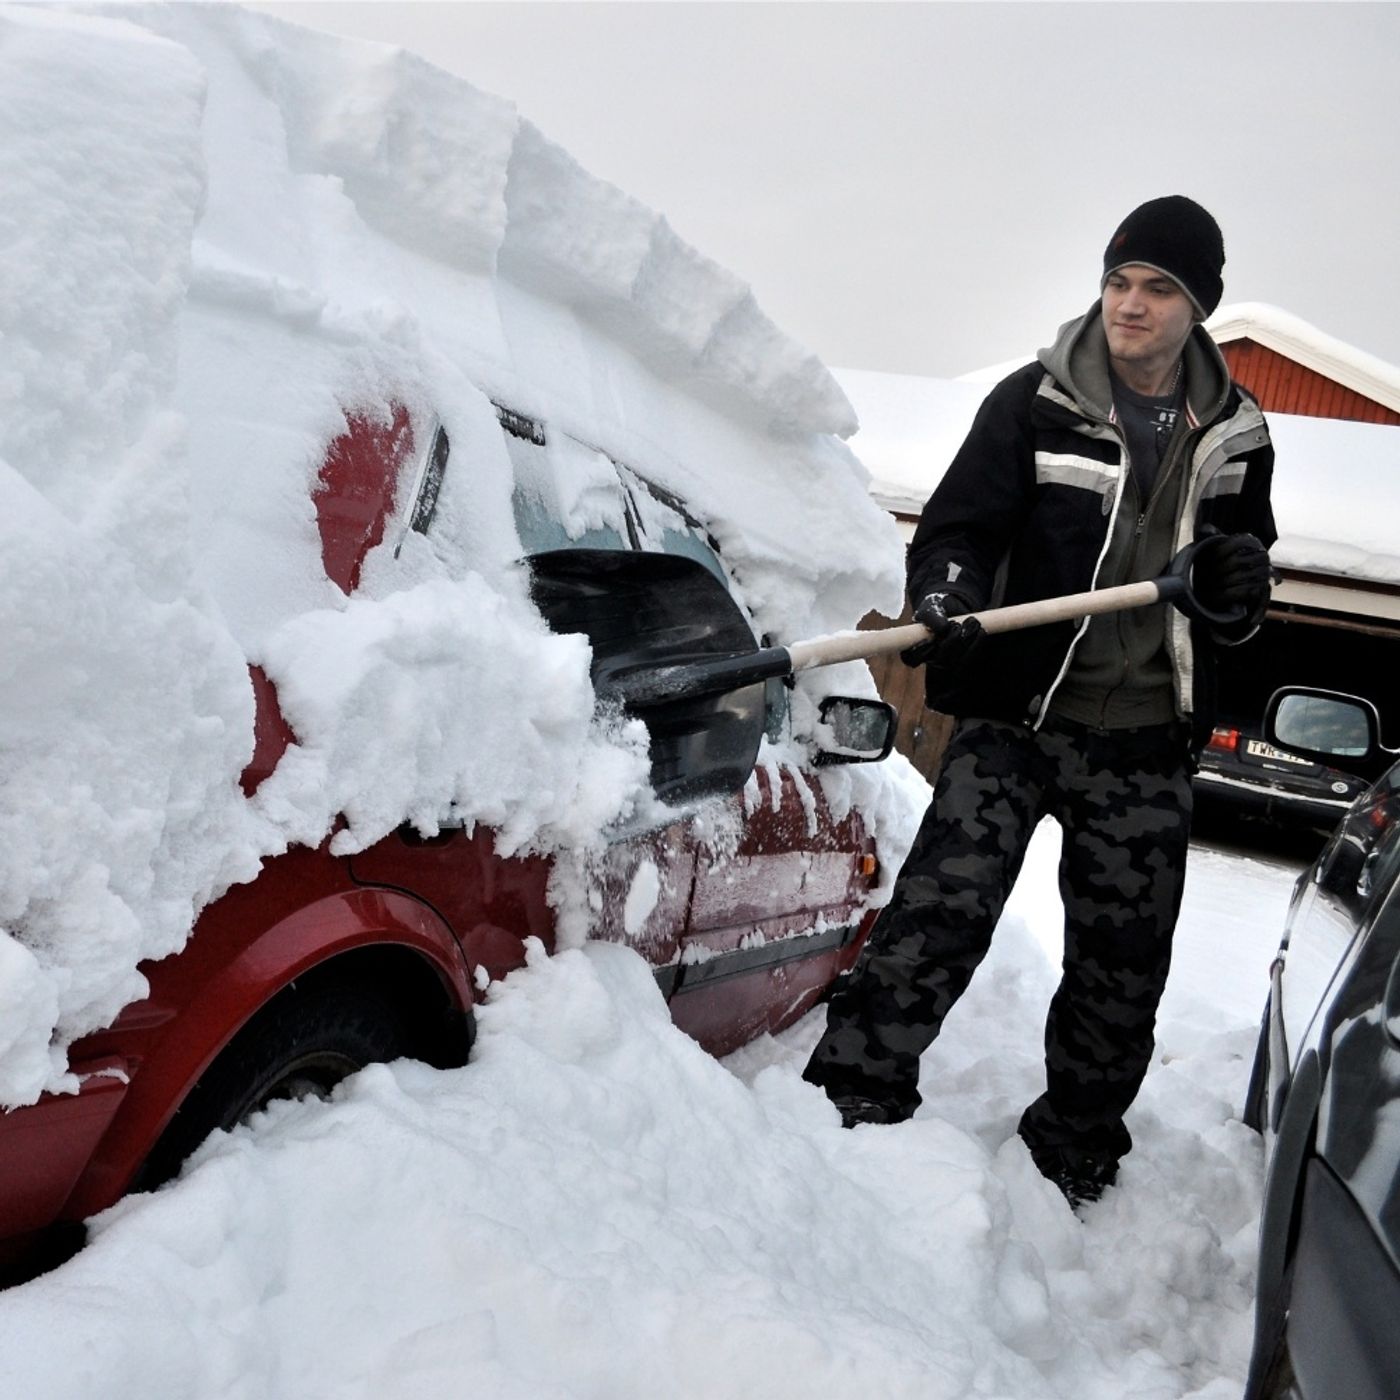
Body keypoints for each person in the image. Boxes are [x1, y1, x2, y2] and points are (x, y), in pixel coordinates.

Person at [803, 195, 1276, 1208]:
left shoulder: (1236, 434)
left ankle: (1072, 1150)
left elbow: (1237, 584)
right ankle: (850, 1093)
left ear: (1196, 307)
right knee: (941, 909)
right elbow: (959, 527)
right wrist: (945, 594)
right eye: (1117, 281)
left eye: (1155, 288)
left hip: (1145, 735)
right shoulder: (1035, 399)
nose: (1129, 304)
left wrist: (1238, 593)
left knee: (1121, 964)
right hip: (1019, 713)